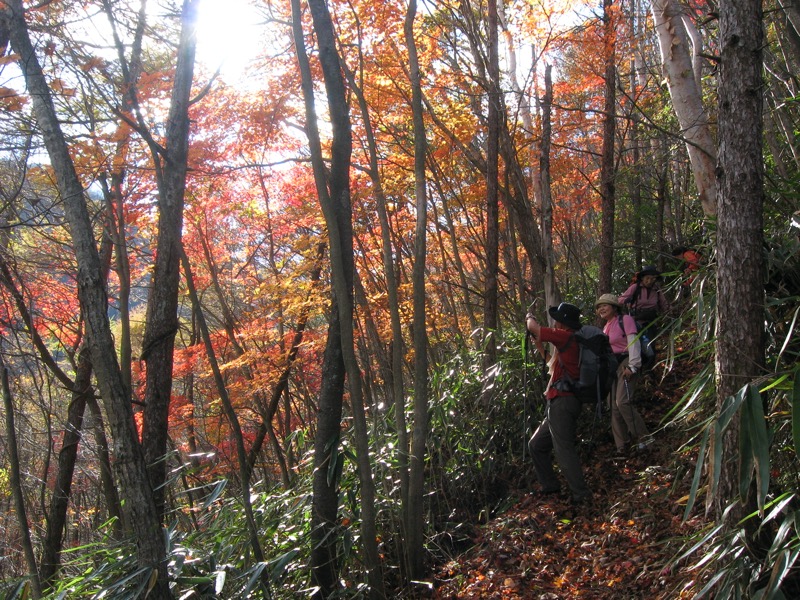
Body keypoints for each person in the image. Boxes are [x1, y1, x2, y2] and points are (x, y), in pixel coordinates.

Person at [525, 302, 592, 507]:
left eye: (557, 319)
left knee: (564, 450)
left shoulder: (567, 337)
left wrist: (529, 317)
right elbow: (552, 365)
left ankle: (581, 495)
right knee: (536, 445)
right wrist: (539, 347)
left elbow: (534, 328)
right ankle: (550, 486)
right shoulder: (569, 343)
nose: (554, 322)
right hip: (558, 401)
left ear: (563, 322)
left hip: (563, 401)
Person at [595, 294, 652, 456]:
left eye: (605, 305)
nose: (601, 309)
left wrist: (633, 366)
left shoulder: (625, 320)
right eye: (599, 307)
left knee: (623, 402)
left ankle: (644, 439)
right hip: (612, 367)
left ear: (614, 307)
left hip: (625, 363)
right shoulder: (606, 326)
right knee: (613, 406)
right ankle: (622, 446)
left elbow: (633, 341)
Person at [618, 265, 670, 339]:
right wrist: (626, 300)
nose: (649, 281)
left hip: (651, 321)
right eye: (647, 278)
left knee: (650, 344)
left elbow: (664, 303)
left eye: (652, 279)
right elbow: (620, 299)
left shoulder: (656, 290)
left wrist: (670, 312)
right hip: (636, 320)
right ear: (642, 278)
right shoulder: (635, 287)